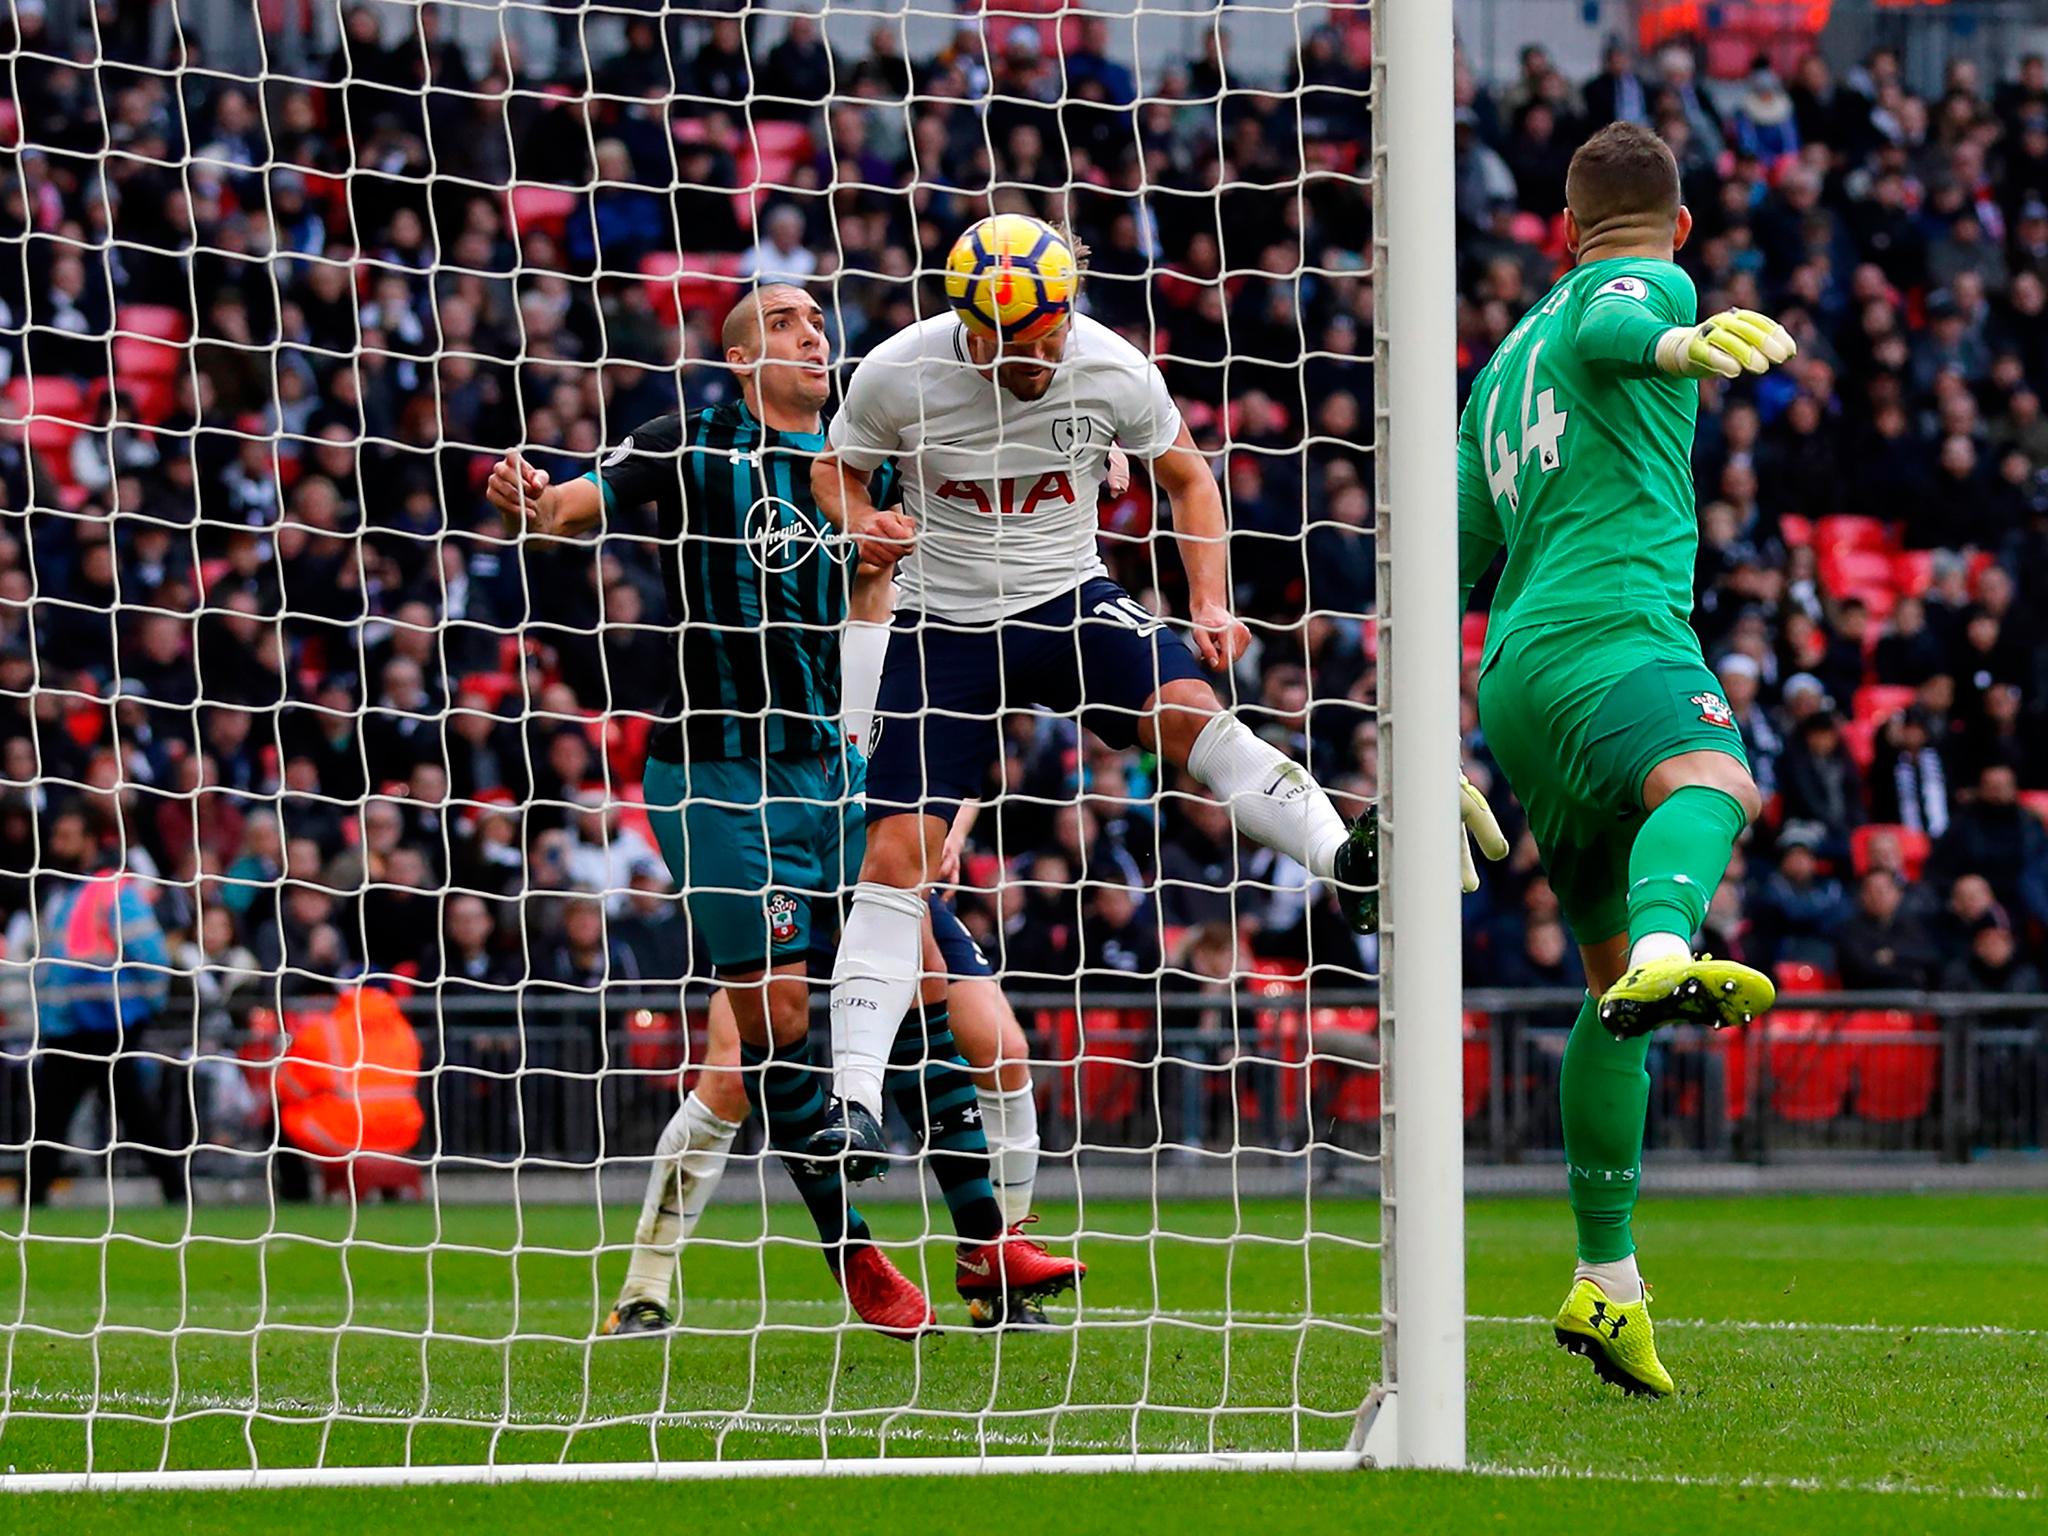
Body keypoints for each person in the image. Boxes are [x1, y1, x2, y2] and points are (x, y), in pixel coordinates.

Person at [808, 213, 1505, 1180]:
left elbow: (1187, 478)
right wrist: (866, 520)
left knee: (1191, 715)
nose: (1039, 355)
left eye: (1051, 333)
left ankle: (1348, 864)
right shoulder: (897, 370)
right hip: (943, 621)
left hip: (1068, 599)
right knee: (898, 858)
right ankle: (852, 1104)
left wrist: (1211, 601)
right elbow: (831, 471)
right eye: (1018, 345)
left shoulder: (1112, 366)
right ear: (972, 326)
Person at [485, 285, 1077, 1340]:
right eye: (789, 322)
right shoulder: (693, 441)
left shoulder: (872, 457)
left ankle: (990, 1241)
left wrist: (1080, 461)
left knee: (936, 988)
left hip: (842, 769)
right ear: (740, 354)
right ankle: (847, 1249)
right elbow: (571, 509)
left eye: (819, 321)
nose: (816, 334)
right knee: (775, 1031)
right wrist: (530, 496)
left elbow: (923, 592)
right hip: (716, 771)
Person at [1455, 123, 1797, 1397]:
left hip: (1514, 686)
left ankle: (1609, 1284)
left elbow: (1442, 550)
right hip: (1612, 638)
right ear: (1683, 226)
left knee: (1609, 1007)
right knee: (1713, 778)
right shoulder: (1645, 282)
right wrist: (1672, 338)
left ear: (1555, 222)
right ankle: (1672, 949)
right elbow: (1617, 317)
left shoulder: (1492, 373)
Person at [26, 805, 188, 1208]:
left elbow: (150, 954)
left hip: (104, 1024)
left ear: (89, 841)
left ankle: (175, 1188)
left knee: (71, 1112)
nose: (55, 844)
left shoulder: (112, 889)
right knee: (68, 1112)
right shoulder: (64, 892)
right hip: (72, 1025)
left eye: (65, 835)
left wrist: (147, 1005)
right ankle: (175, 1189)